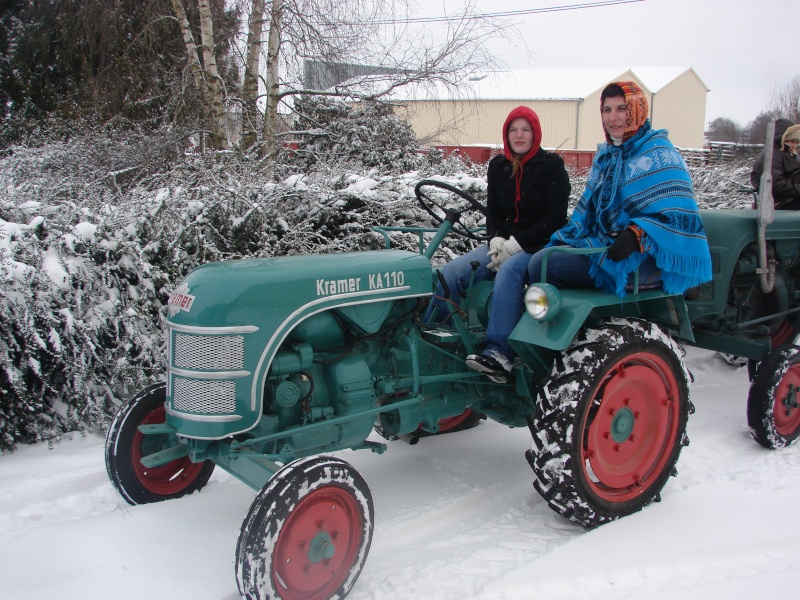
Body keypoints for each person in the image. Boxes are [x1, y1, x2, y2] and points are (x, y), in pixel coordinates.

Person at [466, 81, 712, 383]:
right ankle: (507, 349)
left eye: (621, 108)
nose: (613, 117)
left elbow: (679, 215)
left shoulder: (659, 153)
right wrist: (567, 235)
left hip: (641, 255)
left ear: (637, 109)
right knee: (536, 260)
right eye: (607, 109)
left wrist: (636, 233)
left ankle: (537, 349)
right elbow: (589, 210)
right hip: (603, 244)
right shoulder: (608, 155)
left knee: (542, 262)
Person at [425, 106, 570, 381]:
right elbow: (493, 212)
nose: (519, 135)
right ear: (506, 134)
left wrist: (516, 245)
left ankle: (500, 352)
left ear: (535, 133)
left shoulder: (551, 167)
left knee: (509, 271)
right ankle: (434, 338)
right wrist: (497, 240)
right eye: (513, 129)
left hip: (538, 245)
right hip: (503, 243)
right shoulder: (498, 166)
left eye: (525, 129)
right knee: (453, 273)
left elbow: (555, 218)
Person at [750, 119, 800, 209]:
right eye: (792, 141)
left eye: (796, 142)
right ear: (782, 138)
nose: (794, 146)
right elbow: (774, 184)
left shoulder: (788, 154)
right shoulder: (772, 155)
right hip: (782, 204)